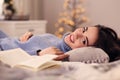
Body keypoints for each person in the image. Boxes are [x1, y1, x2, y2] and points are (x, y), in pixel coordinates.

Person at [0, 24, 120, 62]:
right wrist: (28, 40)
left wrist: (39, 55)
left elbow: (14, 61)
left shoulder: (56, 53)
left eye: (84, 40)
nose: (78, 34)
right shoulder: (55, 39)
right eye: (83, 29)